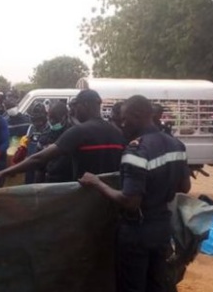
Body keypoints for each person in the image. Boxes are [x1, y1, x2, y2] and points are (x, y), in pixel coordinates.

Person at [78, 95, 192, 292]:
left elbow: (130, 201)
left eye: (124, 118)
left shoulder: (136, 151)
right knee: (157, 284)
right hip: (163, 228)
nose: (122, 124)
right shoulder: (176, 145)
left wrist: (97, 183)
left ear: (138, 116)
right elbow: (185, 187)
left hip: (136, 233)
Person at [0, 89, 125, 185]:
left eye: (77, 107)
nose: (74, 111)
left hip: (85, 202)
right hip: (109, 203)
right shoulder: (118, 133)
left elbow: (39, 159)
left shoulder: (79, 132)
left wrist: (2, 173)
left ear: (85, 105)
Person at [35, 102, 73, 183]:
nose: (52, 122)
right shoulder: (45, 137)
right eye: (50, 118)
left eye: (55, 119)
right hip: (49, 181)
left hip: (69, 181)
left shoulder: (73, 135)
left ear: (64, 117)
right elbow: (39, 165)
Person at [22, 103, 49, 184]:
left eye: (39, 120)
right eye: (35, 121)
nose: (38, 123)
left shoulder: (49, 128)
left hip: (43, 166)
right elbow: (27, 143)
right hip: (30, 163)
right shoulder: (31, 128)